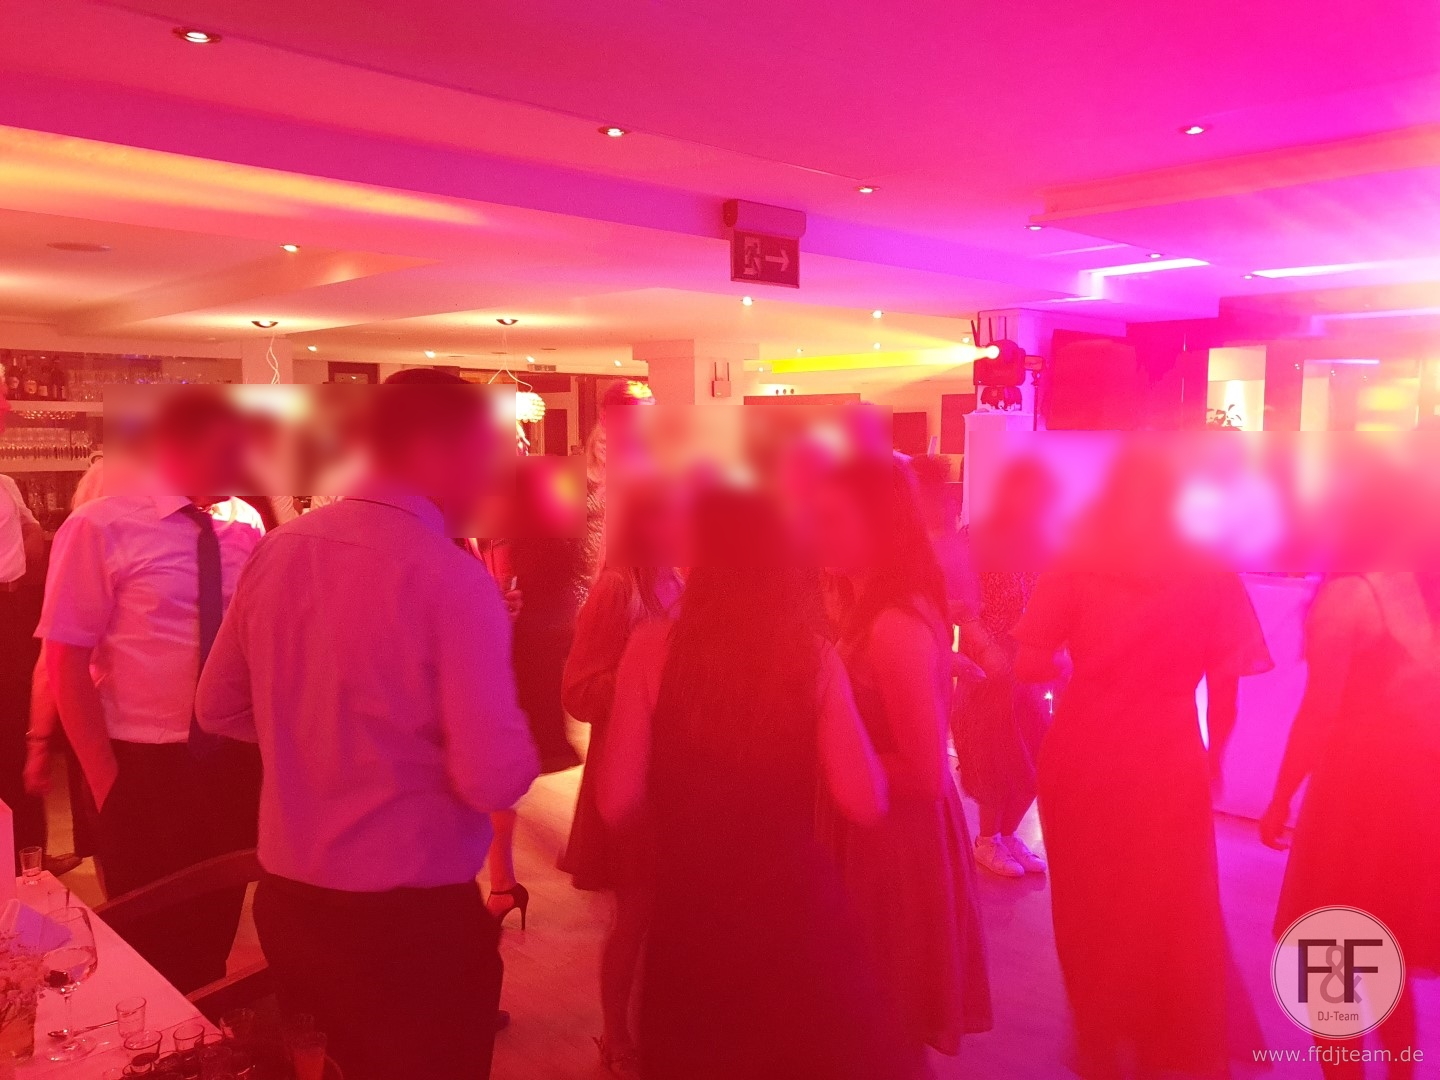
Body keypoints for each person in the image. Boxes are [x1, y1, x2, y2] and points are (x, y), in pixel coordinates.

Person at [196, 368, 539, 1080]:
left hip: (292, 902)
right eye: (485, 456)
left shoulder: (280, 549)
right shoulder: (450, 578)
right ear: (433, 452)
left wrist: (317, 738)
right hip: (412, 919)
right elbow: (490, 777)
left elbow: (217, 707)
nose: (493, 478)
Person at [597, 485, 911, 1080]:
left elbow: (616, 801)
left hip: (691, 906)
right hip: (791, 904)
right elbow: (864, 801)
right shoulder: (812, 657)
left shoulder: (651, 649)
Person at [1012, 450, 1272, 1079]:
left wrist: (1076, 668)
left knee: (1088, 899)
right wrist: (1214, 758)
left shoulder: (1076, 562)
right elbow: (1228, 686)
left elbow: (1029, 665)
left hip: (1084, 749)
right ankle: (1170, 1036)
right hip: (1166, 753)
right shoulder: (1209, 573)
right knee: (1172, 901)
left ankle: (1100, 1035)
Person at [37, 389, 263, 992]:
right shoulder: (100, 525)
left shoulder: (245, 522)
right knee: (148, 935)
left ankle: (202, 1030)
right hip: (140, 763)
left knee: (216, 922)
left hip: (230, 758)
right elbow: (65, 658)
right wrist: (106, 780)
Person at [813, 456, 993, 1068]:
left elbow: (923, 770)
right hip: (872, 829)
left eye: (833, 520)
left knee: (884, 1016)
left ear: (879, 524)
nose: (818, 533)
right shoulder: (869, 607)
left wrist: (827, 749)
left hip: (893, 844)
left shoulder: (893, 624)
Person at [1261, 572, 1440, 1079]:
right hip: (1416, 797)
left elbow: (1320, 711)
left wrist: (1280, 797)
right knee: (1389, 957)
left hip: (1352, 796)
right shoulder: (1424, 591)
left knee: (1332, 963)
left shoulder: (1351, 593)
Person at [560, 477, 684, 1075]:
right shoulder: (617, 588)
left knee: (664, 909)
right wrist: (645, 677)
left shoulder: (678, 582)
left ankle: (660, 1020)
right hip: (629, 767)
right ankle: (615, 1031)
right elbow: (578, 692)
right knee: (633, 912)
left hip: (674, 770)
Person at [953, 457, 1058, 878]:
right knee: (995, 753)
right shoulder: (975, 536)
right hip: (990, 660)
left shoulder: (1043, 540)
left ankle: (1009, 835)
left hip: (1031, 660)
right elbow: (957, 599)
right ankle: (987, 839)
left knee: (1035, 751)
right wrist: (985, 648)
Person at [0, 379, 47, 865]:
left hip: (12, 613)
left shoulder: (5, 483)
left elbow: (32, 529)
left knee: (21, 732)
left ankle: (30, 857)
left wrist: (25, 551)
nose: (8, 409)